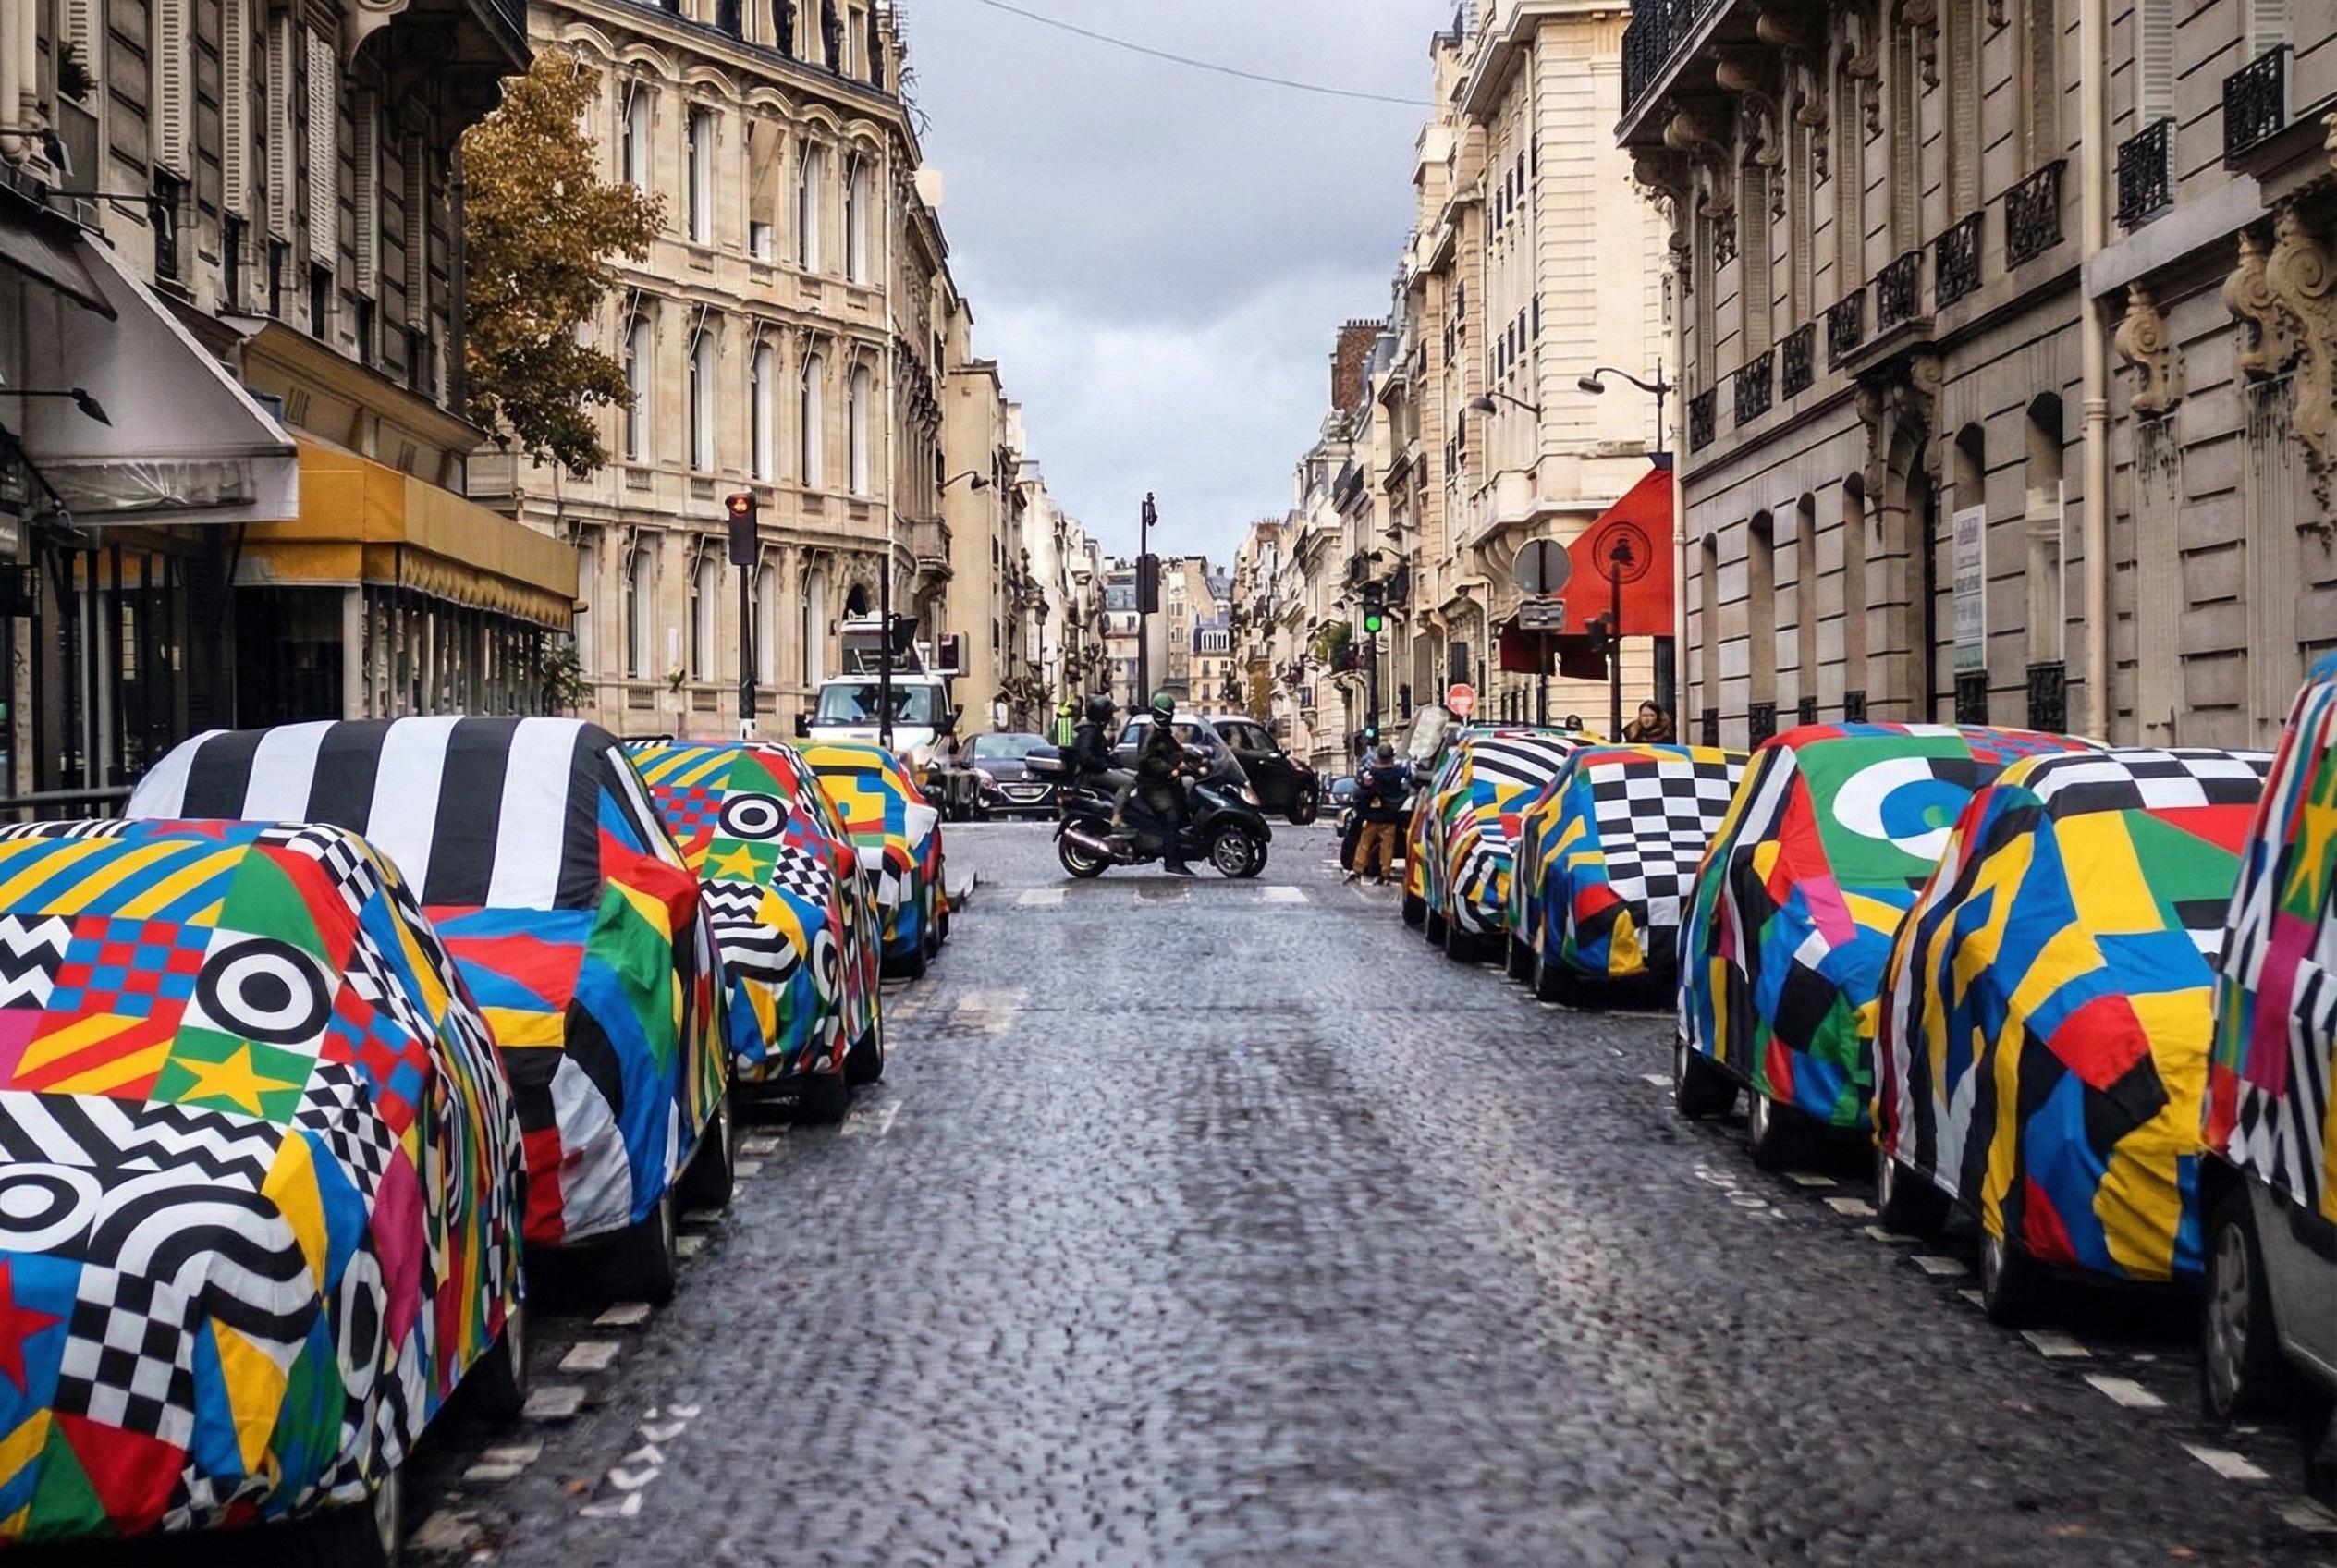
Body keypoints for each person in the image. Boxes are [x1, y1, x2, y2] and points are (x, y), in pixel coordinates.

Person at [1135, 691, 1196, 876]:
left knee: (1184, 809)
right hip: (1152, 784)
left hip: (1164, 782)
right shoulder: (1150, 732)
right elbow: (1146, 759)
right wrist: (1170, 769)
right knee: (1172, 817)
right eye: (1166, 714)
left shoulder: (1162, 731)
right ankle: (1172, 862)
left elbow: (1175, 750)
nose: (1168, 718)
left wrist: (1194, 757)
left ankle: (1183, 852)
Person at [1349, 742, 1413, 885]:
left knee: (1364, 843)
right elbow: (1408, 783)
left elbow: (1362, 790)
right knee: (1387, 846)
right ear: (1391, 757)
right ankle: (1385, 873)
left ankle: (1357, 869)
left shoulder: (1371, 773)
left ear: (1378, 756)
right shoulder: (1398, 772)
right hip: (1390, 816)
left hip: (1372, 816)